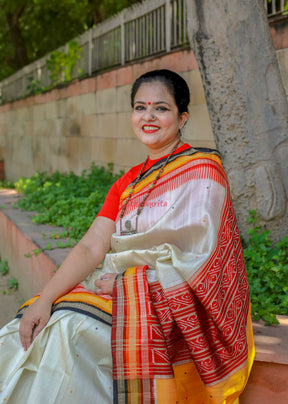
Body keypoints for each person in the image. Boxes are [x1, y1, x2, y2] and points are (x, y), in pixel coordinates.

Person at [0, 69, 254, 403]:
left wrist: (128, 284)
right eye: (140, 107)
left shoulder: (202, 170)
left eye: (161, 108)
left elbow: (205, 260)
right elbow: (92, 246)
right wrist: (45, 300)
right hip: (117, 291)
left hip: (169, 304)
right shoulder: (128, 183)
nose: (148, 116)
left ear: (182, 118)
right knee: (20, 335)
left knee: (68, 333)